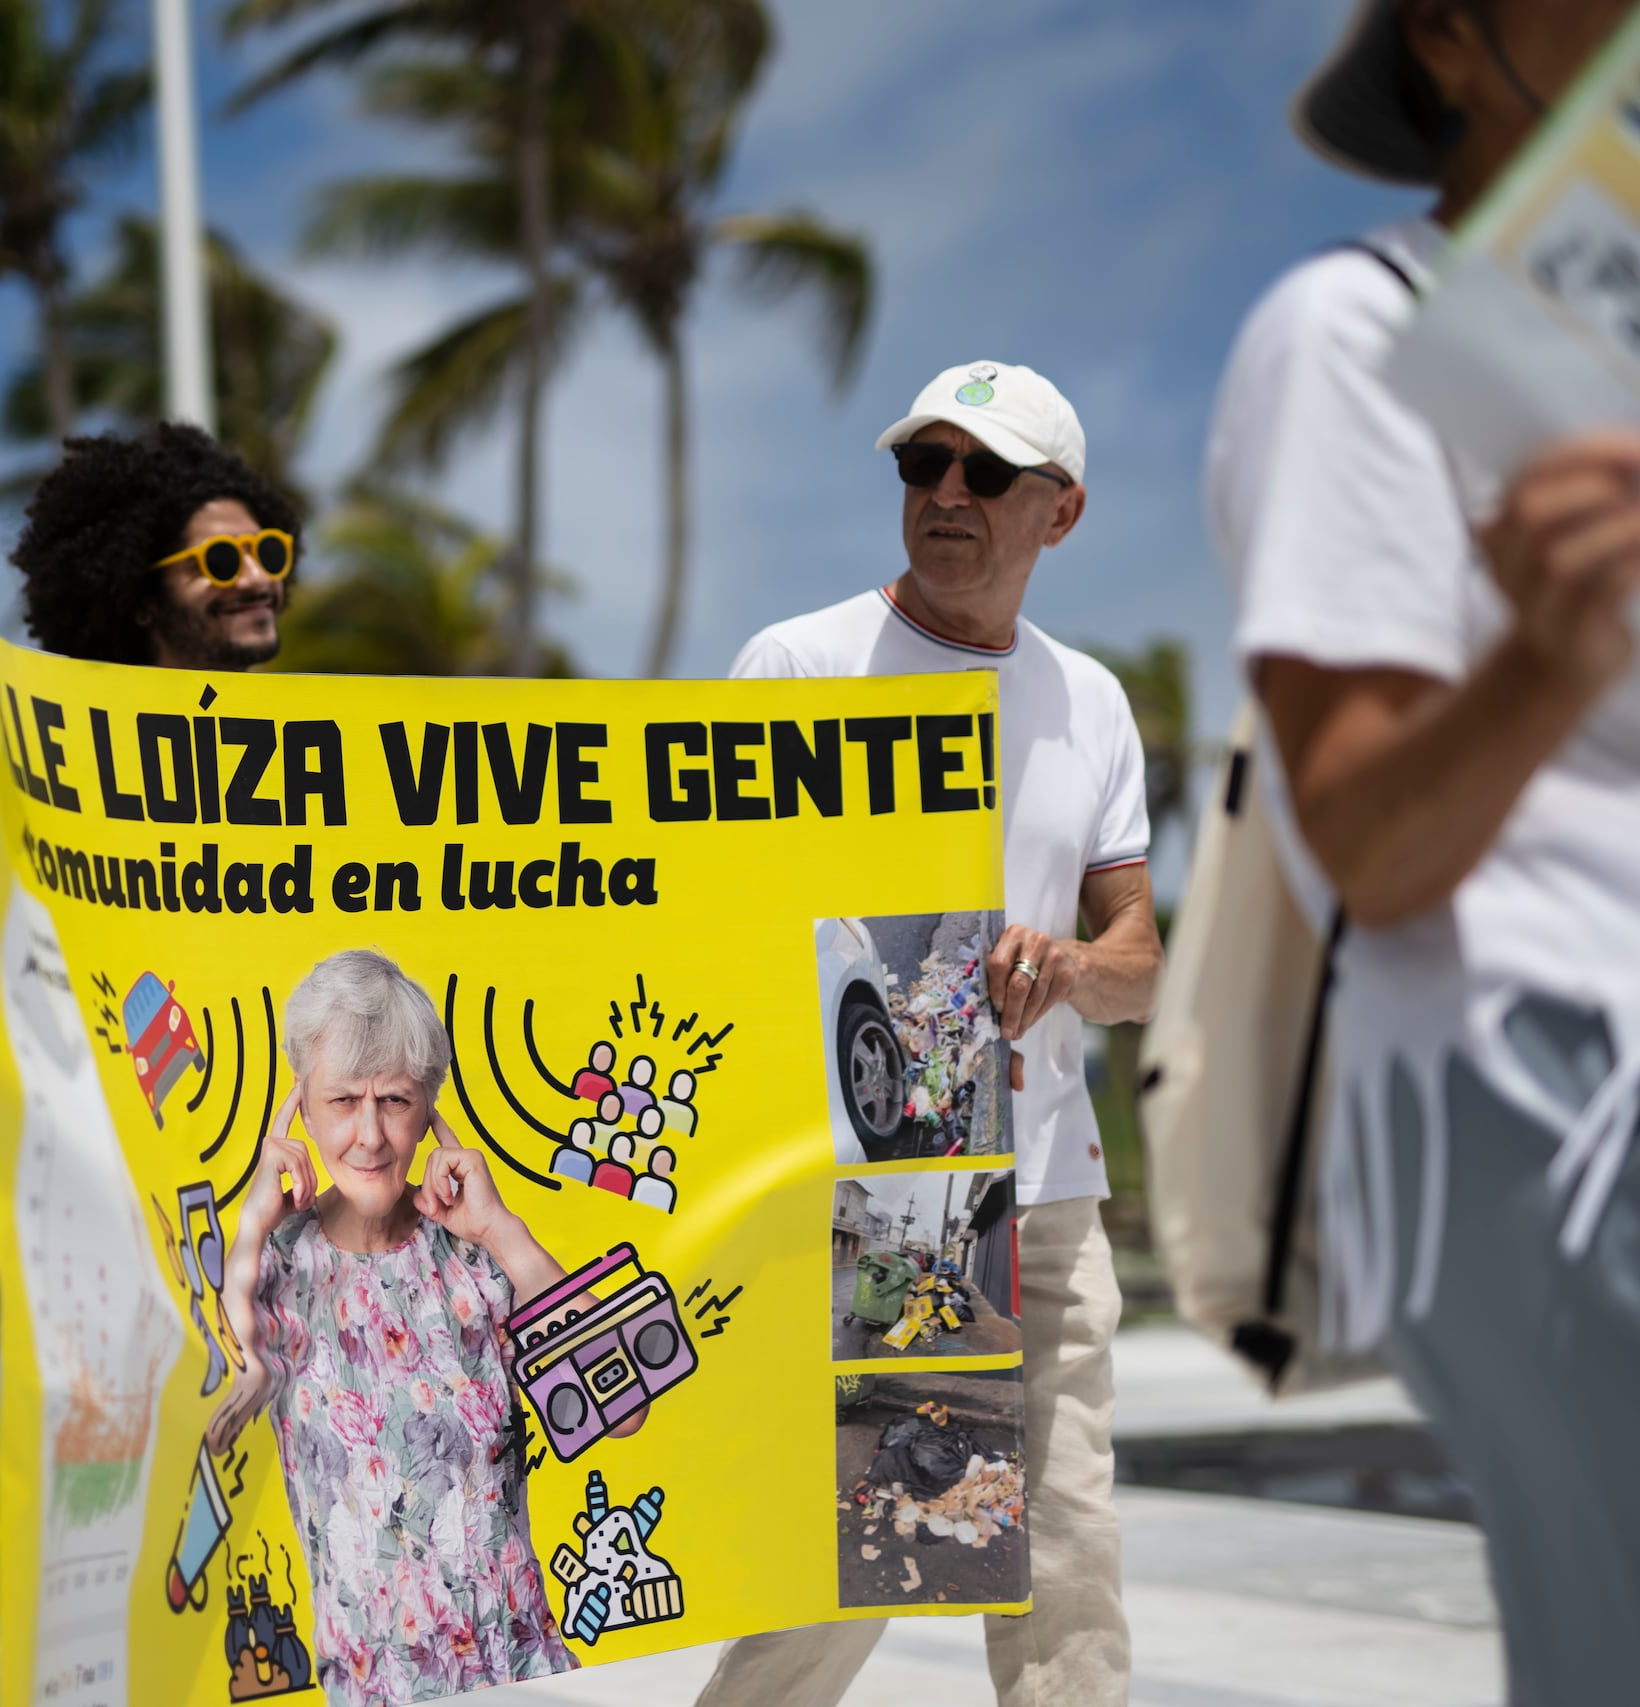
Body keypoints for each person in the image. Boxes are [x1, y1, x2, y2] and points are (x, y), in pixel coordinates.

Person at [1209, 3, 1640, 1697]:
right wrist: (1545, 654)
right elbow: (1372, 836)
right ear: (1452, 39)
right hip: (1530, 1092)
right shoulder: (1352, 332)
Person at [709, 361, 1164, 1707]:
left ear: (1060, 513)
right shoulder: (797, 664)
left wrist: (1073, 965)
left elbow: (1140, 960)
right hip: (872, 1200)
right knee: (855, 1563)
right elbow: (722, 922)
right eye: (923, 466)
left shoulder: (1094, 701)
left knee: (1071, 1564)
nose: (946, 494)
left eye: (985, 473)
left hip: (1053, 1192)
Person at [205, 949, 625, 1706]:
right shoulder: (275, 1266)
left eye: (394, 1099)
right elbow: (217, 1421)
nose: (369, 1135)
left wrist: (503, 1229)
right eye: (342, 1100)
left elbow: (622, 1411)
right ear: (299, 1104)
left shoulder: (474, 1254)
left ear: (429, 1106)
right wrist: (249, 1226)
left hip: (524, 1680)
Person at [10, 421, 298, 669]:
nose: (258, 578)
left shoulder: (312, 729)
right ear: (145, 600)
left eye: (268, 552)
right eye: (220, 560)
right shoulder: (90, 734)